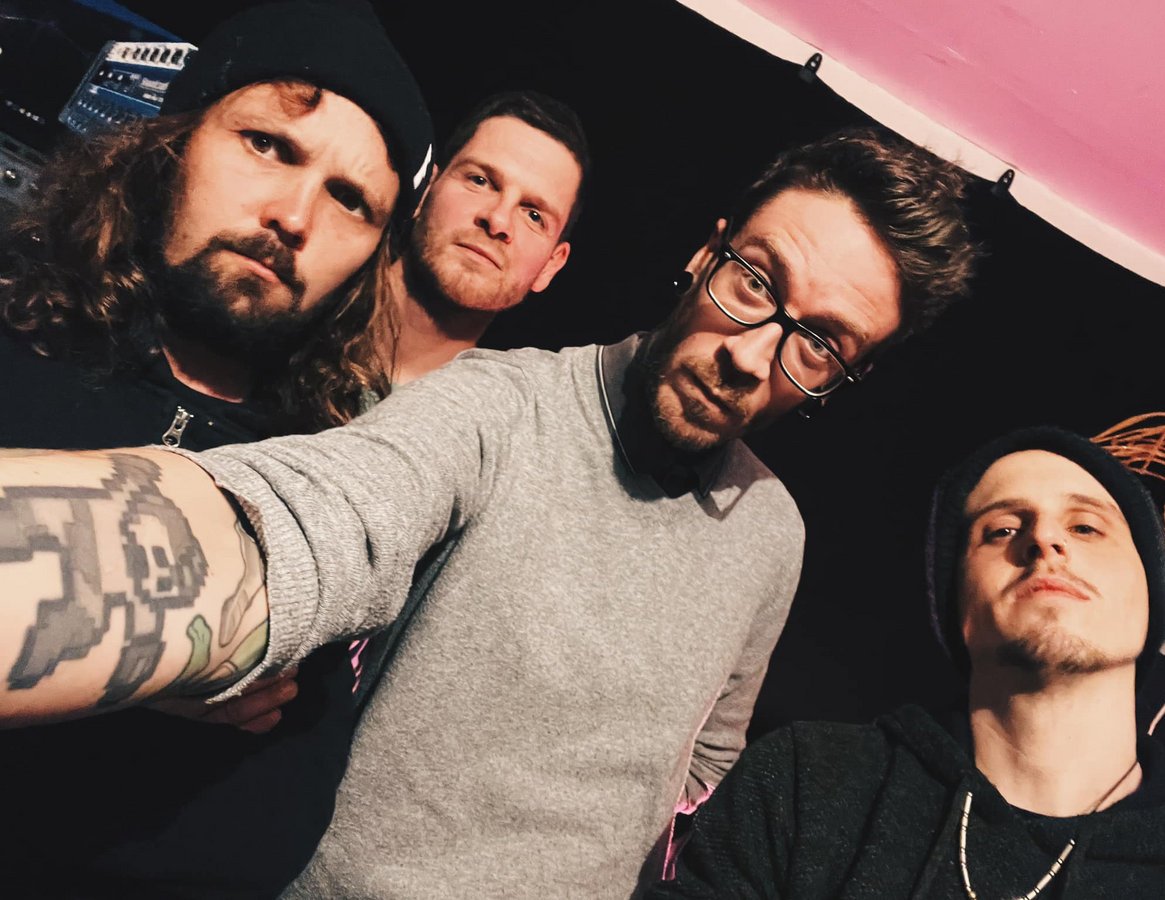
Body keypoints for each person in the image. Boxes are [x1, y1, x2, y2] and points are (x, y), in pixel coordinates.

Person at [0, 127, 975, 897]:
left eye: (821, 344)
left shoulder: (774, 532)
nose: (752, 355)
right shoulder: (494, 408)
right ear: (705, 253)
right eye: (754, 281)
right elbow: (314, 517)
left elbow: (705, 761)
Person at [0, 1, 436, 896]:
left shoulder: (317, 487)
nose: (295, 215)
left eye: (351, 200)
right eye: (268, 145)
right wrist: (145, 658)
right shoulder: (15, 334)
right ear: (173, 141)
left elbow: (267, 831)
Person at [648, 427, 1165, 899]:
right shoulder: (805, 783)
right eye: (1002, 530)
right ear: (954, 602)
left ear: (1153, 594)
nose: (1044, 537)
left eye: (1086, 527)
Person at [377, 89, 587, 386]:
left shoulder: (505, 413)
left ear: (551, 266)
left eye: (533, 215)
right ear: (428, 187)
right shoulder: (308, 298)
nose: (498, 220)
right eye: (480, 181)